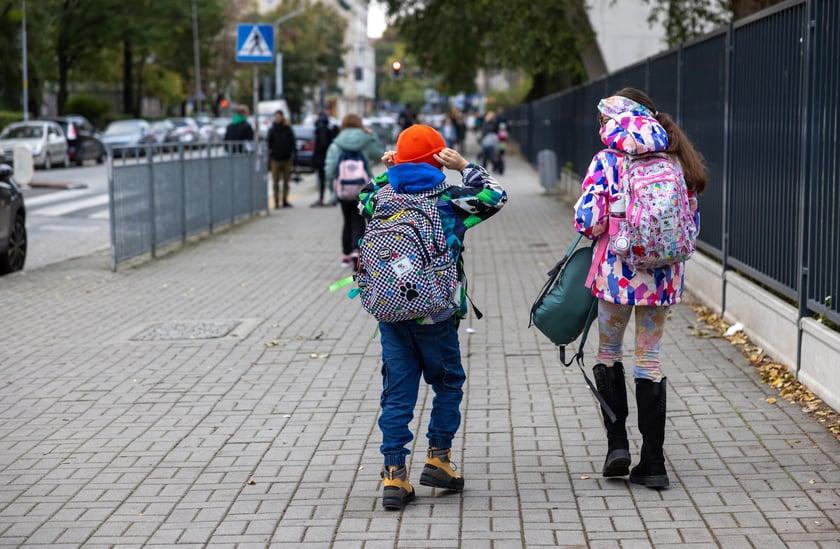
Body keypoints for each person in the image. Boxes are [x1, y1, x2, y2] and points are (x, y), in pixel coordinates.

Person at [358, 125, 507, 510]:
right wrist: (465, 165)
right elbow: (496, 195)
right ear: (439, 159)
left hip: (390, 313)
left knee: (396, 393)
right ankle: (438, 458)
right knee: (448, 382)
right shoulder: (450, 200)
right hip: (435, 314)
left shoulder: (382, 198)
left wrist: (387, 170)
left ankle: (394, 475)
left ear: (400, 160)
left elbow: (362, 198)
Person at [573, 87, 707, 489]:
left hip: (616, 276)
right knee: (649, 361)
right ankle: (653, 463)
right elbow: (691, 225)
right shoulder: (676, 160)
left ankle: (618, 447)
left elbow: (587, 222)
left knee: (608, 352)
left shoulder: (607, 160)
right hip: (662, 279)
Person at [324, 114, 384, 267]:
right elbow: (379, 155)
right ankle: (358, 252)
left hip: (343, 188)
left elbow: (329, 169)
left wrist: (332, 190)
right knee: (359, 219)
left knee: (346, 219)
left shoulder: (336, 144)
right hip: (362, 188)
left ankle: (346, 254)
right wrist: (372, 136)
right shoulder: (365, 140)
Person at [267, 110, 296, 208]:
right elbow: (269, 143)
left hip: (286, 158)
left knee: (286, 181)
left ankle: (284, 200)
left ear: (282, 117)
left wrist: (294, 154)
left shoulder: (287, 128)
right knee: (275, 181)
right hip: (275, 158)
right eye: (276, 116)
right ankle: (276, 201)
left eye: (279, 116)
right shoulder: (272, 129)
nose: (277, 118)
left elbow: (293, 142)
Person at [312, 112, 336, 207]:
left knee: (324, 179)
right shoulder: (327, 128)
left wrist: (317, 153)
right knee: (328, 179)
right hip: (326, 158)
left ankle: (323, 199)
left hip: (323, 159)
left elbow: (323, 143)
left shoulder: (321, 129)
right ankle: (330, 198)